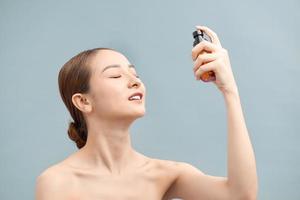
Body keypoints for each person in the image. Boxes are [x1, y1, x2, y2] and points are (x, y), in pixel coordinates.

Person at [35, 25, 258, 200]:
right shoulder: (57, 182)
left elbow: (240, 195)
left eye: (135, 75)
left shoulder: (163, 174)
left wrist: (230, 91)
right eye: (115, 76)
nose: (135, 82)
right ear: (83, 101)